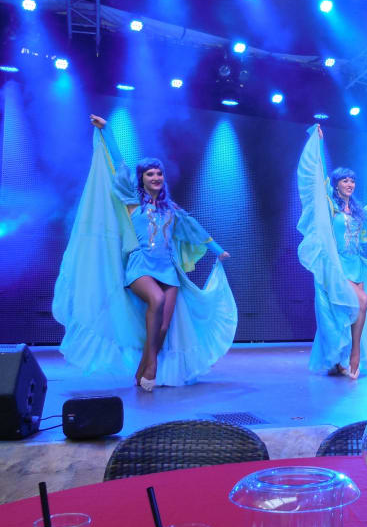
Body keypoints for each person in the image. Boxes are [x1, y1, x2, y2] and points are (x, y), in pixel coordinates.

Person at [52, 114, 237, 390]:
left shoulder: (171, 210)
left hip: (169, 271)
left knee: (164, 326)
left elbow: (194, 230)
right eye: (150, 174)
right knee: (156, 300)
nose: (156, 177)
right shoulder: (132, 203)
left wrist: (218, 251)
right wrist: (107, 131)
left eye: (159, 173)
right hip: (140, 267)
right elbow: (119, 166)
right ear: (141, 179)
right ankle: (152, 367)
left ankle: (142, 371)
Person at [296, 124, 367, 379]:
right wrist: (318, 143)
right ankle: (354, 354)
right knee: (362, 302)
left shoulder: (357, 210)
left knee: (347, 313)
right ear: (336, 184)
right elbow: (317, 181)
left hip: (356, 266)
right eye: (345, 180)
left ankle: (338, 360)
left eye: (353, 180)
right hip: (336, 267)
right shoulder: (330, 207)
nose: (350, 184)